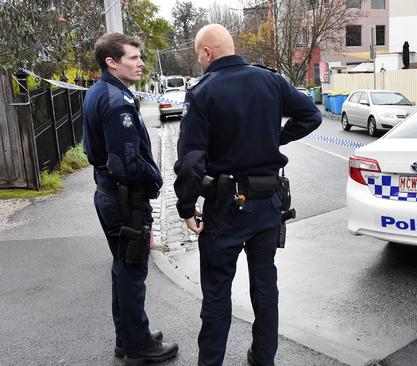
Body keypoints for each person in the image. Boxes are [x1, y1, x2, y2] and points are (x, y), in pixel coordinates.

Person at [174, 24, 321, 366]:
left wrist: (186, 207)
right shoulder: (270, 80)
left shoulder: (202, 93)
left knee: (216, 293)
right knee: (265, 287)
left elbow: (191, 161)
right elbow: (310, 115)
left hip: (226, 207)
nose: (199, 60)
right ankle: (263, 358)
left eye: (198, 53)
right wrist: (276, 139)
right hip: (268, 204)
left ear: (208, 52)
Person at [82, 33, 178, 366]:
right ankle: (138, 348)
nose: (140, 63)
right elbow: (125, 162)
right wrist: (156, 178)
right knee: (132, 270)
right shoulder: (116, 101)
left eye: (140, 57)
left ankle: (129, 338)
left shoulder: (100, 92)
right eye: (133, 58)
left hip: (110, 195)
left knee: (123, 268)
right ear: (111, 62)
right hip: (125, 201)